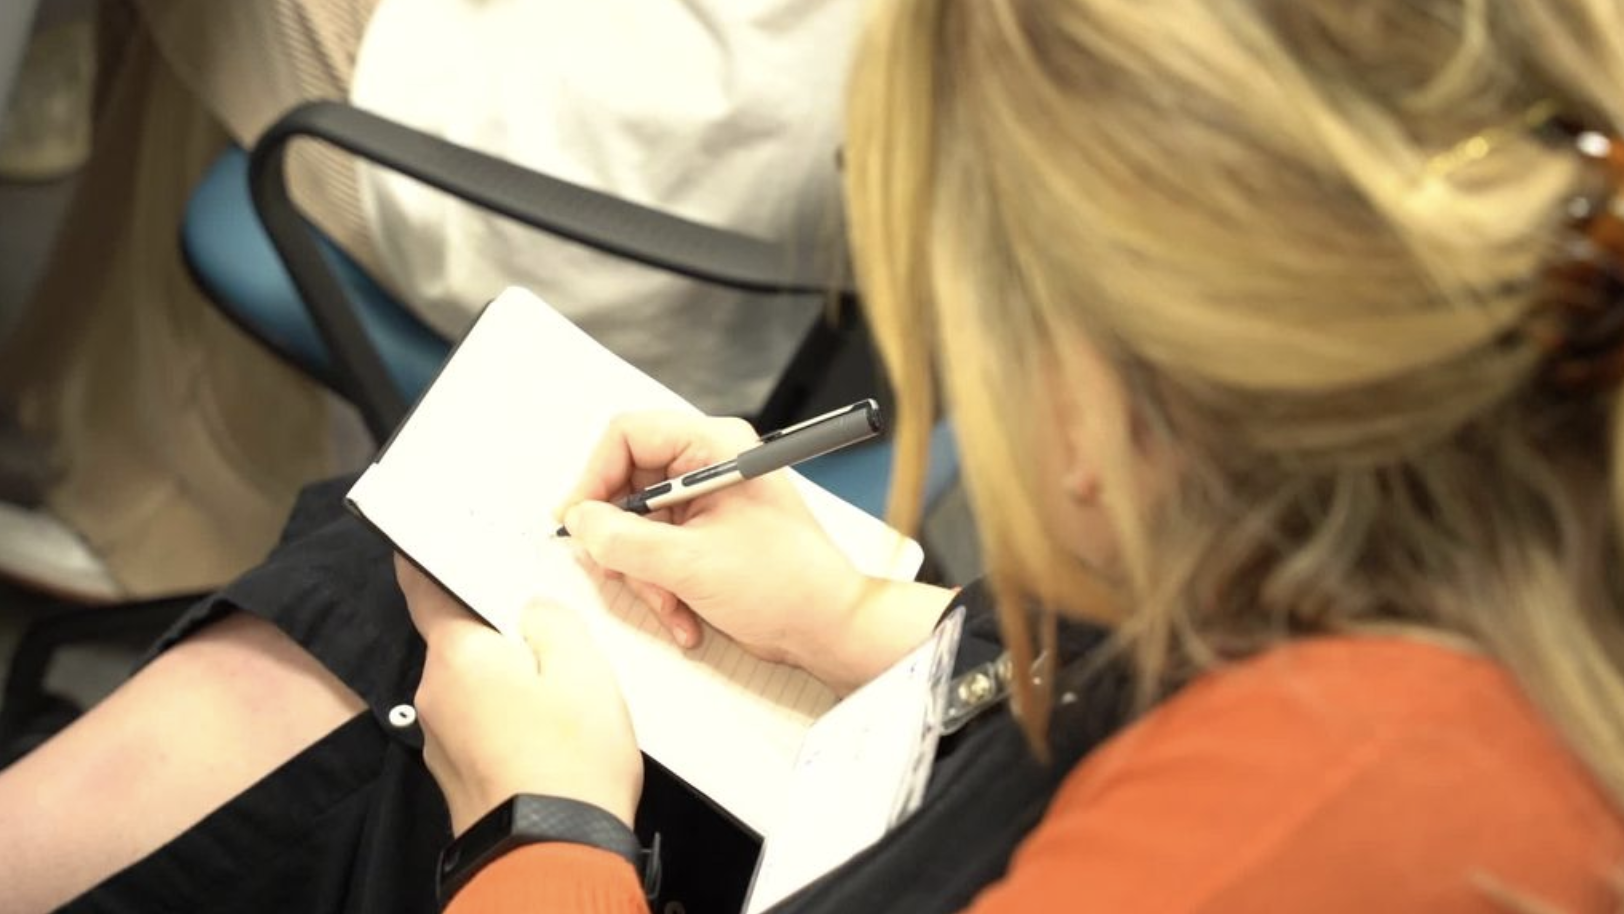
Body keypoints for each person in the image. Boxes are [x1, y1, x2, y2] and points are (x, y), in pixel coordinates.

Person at [4, 0, 1624, 911]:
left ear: (1134, 409)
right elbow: (1143, 684)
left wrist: (539, 821)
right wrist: (885, 632)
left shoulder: (1314, 833)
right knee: (418, 571)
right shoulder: (1398, 565)